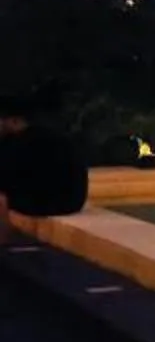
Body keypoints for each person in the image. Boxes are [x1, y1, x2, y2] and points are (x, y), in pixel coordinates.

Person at [0, 93, 90, 238]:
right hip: (73, 201)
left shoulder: (16, 143)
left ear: (13, 121)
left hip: (47, 202)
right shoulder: (51, 135)